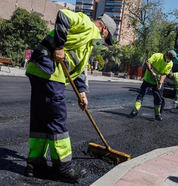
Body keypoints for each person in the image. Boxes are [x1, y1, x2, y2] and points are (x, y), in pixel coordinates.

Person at [24, 9, 116, 181]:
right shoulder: (87, 24)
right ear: (103, 28)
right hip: (48, 72)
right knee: (57, 119)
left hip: (40, 72)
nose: (103, 42)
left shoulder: (87, 43)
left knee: (41, 119)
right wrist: (59, 46)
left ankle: (35, 165)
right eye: (106, 38)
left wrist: (82, 93)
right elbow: (63, 15)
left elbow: (79, 69)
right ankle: (62, 168)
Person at [129, 50, 176, 121]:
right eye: (169, 57)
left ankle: (157, 114)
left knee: (158, 98)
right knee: (141, 94)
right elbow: (147, 62)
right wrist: (152, 72)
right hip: (148, 79)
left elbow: (164, 74)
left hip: (156, 82)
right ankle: (135, 110)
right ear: (166, 54)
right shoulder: (157, 56)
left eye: (171, 59)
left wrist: (160, 83)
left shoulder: (170, 64)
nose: (170, 60)